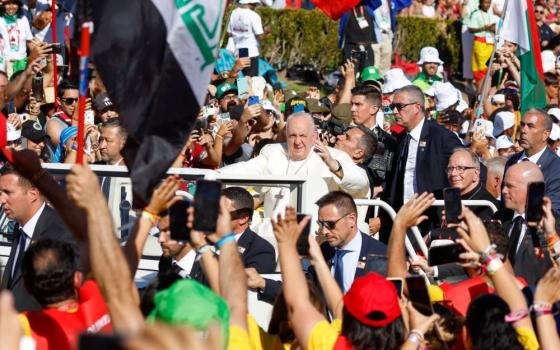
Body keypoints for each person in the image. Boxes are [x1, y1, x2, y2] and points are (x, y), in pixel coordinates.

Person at [219, 112, 369, 221]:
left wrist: (333, 165)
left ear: (314, 137)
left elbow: (362, 184)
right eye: (292, 136)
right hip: (273, 229)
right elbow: (246, 169)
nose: (297, 142)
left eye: (303, 136)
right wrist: (215, 175)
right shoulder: (274, 152)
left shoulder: (334, 156)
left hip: (314, 234)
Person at [384, 85, 462, 235]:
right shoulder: (400, 139)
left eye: (399, 106)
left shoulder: (441, 136)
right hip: (403, 218)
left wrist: (452, 212)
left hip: (431, 220)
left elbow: (467, 169)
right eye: (393, 106)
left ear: (417, 107)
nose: (394, 111)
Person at [0, 164, 74, 311]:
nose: (1, 200)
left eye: (8, 193)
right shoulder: (20, 226)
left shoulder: (59, 233)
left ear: (33, 194)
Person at [21, 239, 112, 350]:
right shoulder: (101, 297)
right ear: (77, 278)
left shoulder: (27, 327)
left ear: (27, 288)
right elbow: (87, 239)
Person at [315, 190, 387, 293]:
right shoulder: (323, 250)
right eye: (321, 224)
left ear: (351, 220)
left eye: (330, 224)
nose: (324, 231)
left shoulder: (380, 254)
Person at [504, 108, 560, 221]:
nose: (523, 130)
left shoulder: (556, 168)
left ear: (545, 135)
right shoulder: (512, 162)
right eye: (522, 125)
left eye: (530, 126)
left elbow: (552, 211)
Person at [502, 161, 552, 285]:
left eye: (510, 186)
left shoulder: (550, 226)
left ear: (532, 189)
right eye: (504, 185)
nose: (503, 191)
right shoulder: (500, 219)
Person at [222, 186, 276, 273]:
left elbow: (247, 283)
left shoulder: (260, 250)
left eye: (221, 212)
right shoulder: (205, 239)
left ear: (243, 218)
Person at [446, 148, 499, 219]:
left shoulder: (486, 205)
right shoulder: (444, 197)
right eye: (450, 169)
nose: (453, 173)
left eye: (460, 168)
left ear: (476, 173)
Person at [227, 0, 266, 77]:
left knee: (241, 77)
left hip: (238, 50)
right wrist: (266, 31)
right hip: (251, 51)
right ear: (251, 3)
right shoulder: (254, 15)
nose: (256, 6)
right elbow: (260, 36)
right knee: (250, 79)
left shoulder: (233, 13)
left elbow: (229, 33)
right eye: (255, 4)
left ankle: (242, 89)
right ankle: (245, 89)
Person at [468, 0, 499, 89]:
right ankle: (480, 93)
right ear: (480, 3)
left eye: (489, 3)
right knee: (482, 70)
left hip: (490, 43)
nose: (487, 5)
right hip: (480, 44)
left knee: (490, 68)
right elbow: (470, 29)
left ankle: (486, 92)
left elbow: (494, 27)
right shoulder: (476, 14)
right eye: (485, 2)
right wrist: (484, 28)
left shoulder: (490, 14)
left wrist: (493, 28)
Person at [0, 0, 32, 77]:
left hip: (21, 64)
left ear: (18, 5)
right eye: (8, 3)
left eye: (14, 3)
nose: (11, 7)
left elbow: (29, 41)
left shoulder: (23, 19)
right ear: (2, 5)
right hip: (3, 64)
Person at [45, 80, 79, 148]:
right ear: (59, 101)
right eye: (69, 101)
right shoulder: (53, 123)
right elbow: (69, 149)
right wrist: (75, 118)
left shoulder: (83, 118)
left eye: (77, 100)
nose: (74, 104)